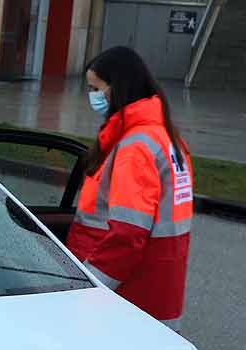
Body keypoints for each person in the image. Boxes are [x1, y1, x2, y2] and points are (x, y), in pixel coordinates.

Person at [67, 46, 194, 324]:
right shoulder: (166, 137)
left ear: (118, 88)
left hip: (127, 296)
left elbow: (127, 234)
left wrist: (89, 288)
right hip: (160, 291)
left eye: (95, 88)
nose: (93, 97)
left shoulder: (135, 147)